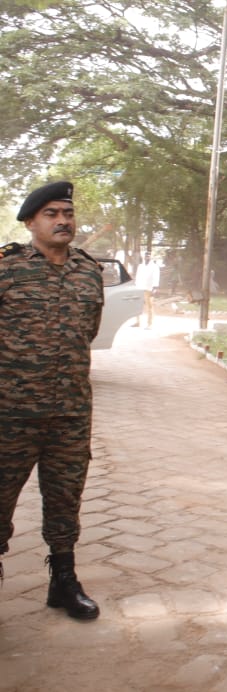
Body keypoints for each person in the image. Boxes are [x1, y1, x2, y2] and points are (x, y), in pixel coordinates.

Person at [0, 181, 104, 620]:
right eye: (51, 214)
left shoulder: (88, 270)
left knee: (65, 500)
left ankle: (63, 581)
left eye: (67, 213)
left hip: (70, 414)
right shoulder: (6, 269)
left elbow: (89, 331)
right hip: (10, 415)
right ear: (30, 222)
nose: (63, 220)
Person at [133, 251, 161, 328]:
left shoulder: (155, 266)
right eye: (146, 255)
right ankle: (137, 322)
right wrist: (135, 286)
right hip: (139, 287)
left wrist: (154, 288)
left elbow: (156, 277)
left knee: (150, 306)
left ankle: (150, 324)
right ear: (144, 257)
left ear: (151, 257)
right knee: (137, 305)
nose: (147, 256)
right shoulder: (140, 266)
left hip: (149, 288)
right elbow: (137, 276)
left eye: (149, 255)